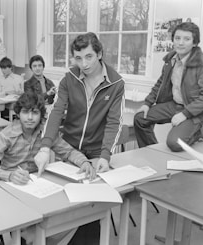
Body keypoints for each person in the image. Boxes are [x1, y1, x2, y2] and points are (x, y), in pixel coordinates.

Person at [33, 32, 125, 245]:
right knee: (68, 202)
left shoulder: (116, 83)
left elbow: (114, 122)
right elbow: (56, 112)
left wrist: (105, 155)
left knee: (91, 206)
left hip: (96, 150)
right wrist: (45, 147)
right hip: (70, 147)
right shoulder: (69, 79)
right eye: (78, 58)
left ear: (99, 54)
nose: (83, 64)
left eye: (89, 57)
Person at [134, 22, 203, 151]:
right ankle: (151, 150)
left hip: (193, 111)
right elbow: (160, 83)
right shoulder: (171, 59)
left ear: (194, 43)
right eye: (177, 38)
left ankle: (200, 132)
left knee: (174, 144)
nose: (180, 43)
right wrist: (147, 103)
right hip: (174, 105)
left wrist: (185, 114)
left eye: (186, 39)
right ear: (173, 39)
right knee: (140, 119)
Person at [0, 92, 95, 184]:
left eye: (35, 113)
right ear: (18, 114)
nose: (30, 118)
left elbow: (69, 152)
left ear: (41, 115)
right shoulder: (6, 135)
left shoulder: (46, 133)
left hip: (38, 181)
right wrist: (9, 175)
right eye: (25, 112)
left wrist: (84, 162)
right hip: (11, 183)